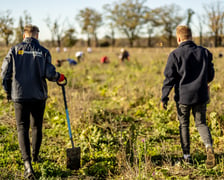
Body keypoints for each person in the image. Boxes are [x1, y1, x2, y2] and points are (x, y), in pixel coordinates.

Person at [1, 24, 66, 179]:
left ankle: (27, 164)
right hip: (38, 96)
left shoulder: (14, 50)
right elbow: (50, 74)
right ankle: (36, 157)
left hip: (20, 96)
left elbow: (4, 73)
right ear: (37, 35)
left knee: (22, 128)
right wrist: (60, 77)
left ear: (25, 35)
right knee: (37, 126)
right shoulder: (43, 52)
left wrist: (8, 91)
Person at [161, 25, 215, 168]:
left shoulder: (175, 55)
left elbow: (169, 78)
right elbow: (211, 74)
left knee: (184, 124)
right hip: (201, 95)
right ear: (191, 37)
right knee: (201, 123)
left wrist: (164, 97)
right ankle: (209, 147)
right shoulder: (204, 52)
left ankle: (187, 157)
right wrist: (205, 82)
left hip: (183, 98)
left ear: (178, 38)